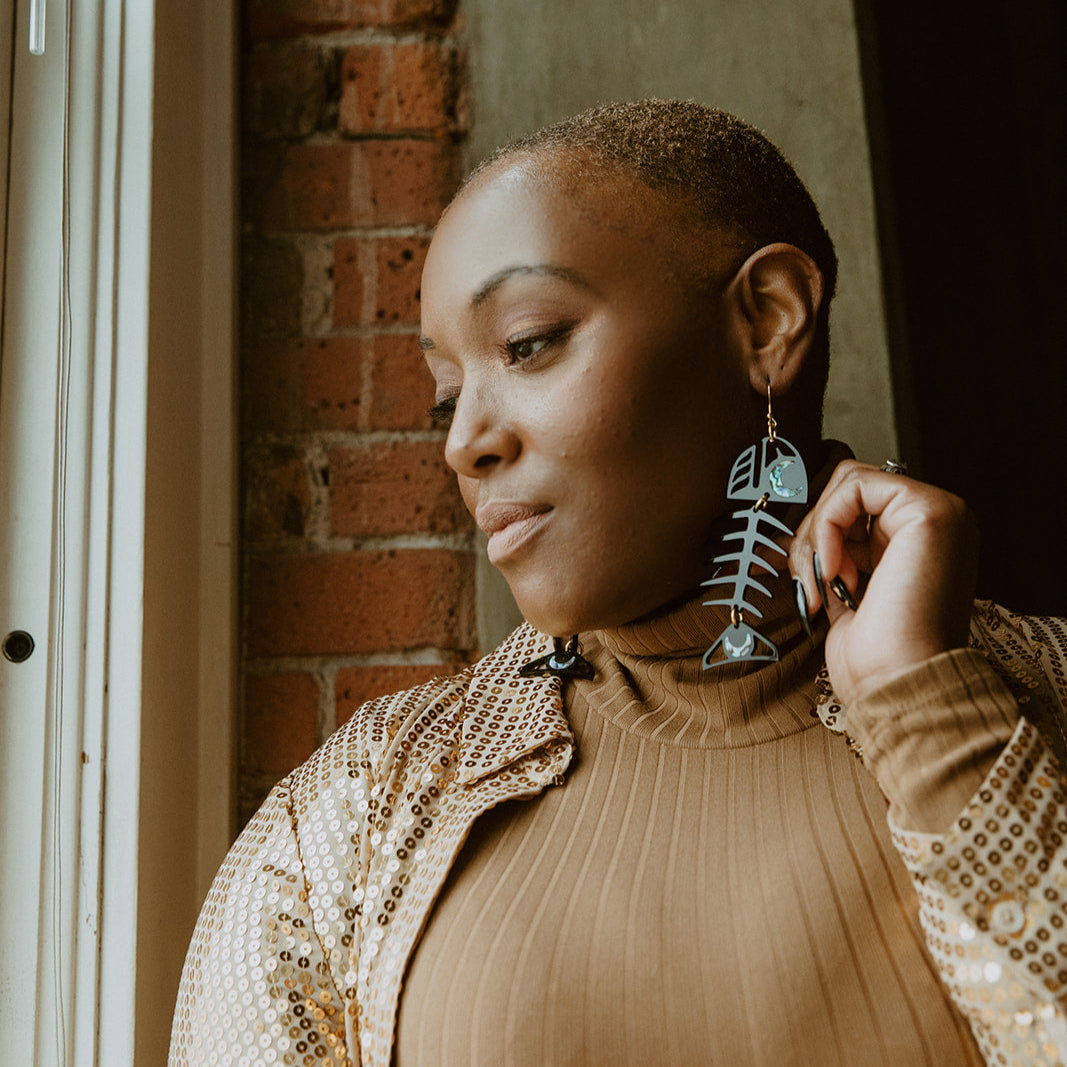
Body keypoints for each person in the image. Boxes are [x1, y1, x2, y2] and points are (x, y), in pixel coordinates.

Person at [169, 100, 1067, 1066]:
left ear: (765, 319)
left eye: (526, 342)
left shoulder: (1041, 697)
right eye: (445, 391)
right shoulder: (349, 819)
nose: (464, 439)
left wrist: (929, 710)